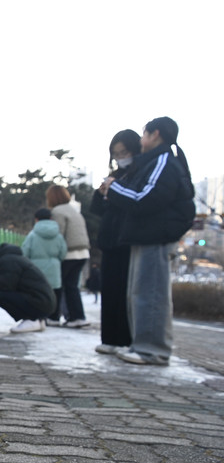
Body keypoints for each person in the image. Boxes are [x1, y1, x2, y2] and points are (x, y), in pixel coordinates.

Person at [100, 116, 196, 366]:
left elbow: (145, 198)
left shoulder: (163, 161)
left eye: (144, 134)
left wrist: (114, 187)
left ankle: (151, 349)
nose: (141, 141)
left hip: (155, 236)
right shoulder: (158, 161)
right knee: (140, 292)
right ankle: (143, 345)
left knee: (150, 293)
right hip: (147, 236)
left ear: (155, 135)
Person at [89, 129, 139, 354]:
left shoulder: (139, 174)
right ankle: (110, 338)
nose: (121, 157)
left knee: (124, 292)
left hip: (127, 241)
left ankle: (125, 339)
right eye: (116, 153)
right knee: (108, 291)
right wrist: (100, 194)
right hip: (109, 241)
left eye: (124, 152)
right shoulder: (115, 176)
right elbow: (98, 210)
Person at [0, 243, 56, 333]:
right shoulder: (11, 258)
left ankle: (31, 319)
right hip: (44, 302)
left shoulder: (7, 261)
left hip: (42, 302)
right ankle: (36, 320)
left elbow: (6, 286)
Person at [46, 185, 91, 328]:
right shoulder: (74, 210)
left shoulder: (58, 211)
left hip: (69, 253)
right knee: (72, 286)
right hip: (83, 253)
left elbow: (57, 236)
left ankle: (53, 317)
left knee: (58, 285)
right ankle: (77, 316)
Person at [22, 208, 67, 308]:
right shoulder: (58, 235)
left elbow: (25, 252)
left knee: (39, 293)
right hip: (54, 267)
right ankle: (54, 317)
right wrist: (56, 260)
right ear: (51, 218)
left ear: (36, 219)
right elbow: (63, 251)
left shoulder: (32, 235)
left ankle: (40, 316)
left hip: (36, 268)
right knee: (55, 292)